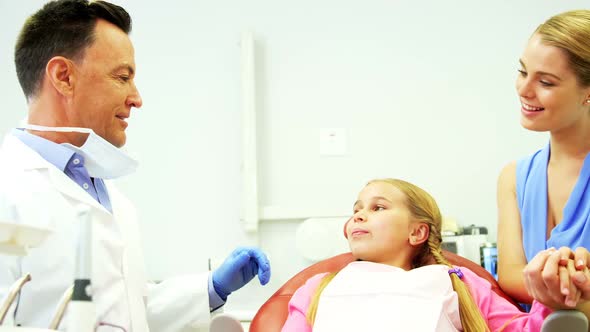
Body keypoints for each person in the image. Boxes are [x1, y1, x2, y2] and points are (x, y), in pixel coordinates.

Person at [0, 0, 270, 330]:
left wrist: (212, 288)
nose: (136, 97)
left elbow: (129, 313)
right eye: (122, 76)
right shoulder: (8, 184)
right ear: (63, 76)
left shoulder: (106, 193)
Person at [281, 178, 555, 332]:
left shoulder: (459, 283)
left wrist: (550, 297)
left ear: (417, 232)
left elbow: (525, 330)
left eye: (378, 208)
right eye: (356, 210)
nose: (359, 216)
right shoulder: (318, 287)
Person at [496, 9, 590, 313]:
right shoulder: (513, 178)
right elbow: (510, 274)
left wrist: (554, 291)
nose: (524, 90)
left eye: (546, 82)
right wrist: (567, 292)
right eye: (523, 72)